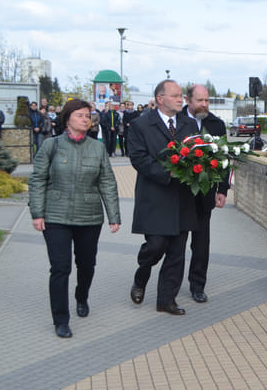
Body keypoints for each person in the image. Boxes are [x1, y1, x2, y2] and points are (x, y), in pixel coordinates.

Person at [28, 99, 121, 338]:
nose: (85, 119)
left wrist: (114, 216)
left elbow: (107, 182)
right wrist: (37, 213)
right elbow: (37, 179)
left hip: (88, 217)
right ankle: (61, 319)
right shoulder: (51, 145)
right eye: (79, 115)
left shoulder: (97, 148)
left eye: (87, 115)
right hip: (55, 216)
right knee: (60, 268)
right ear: (67, 119)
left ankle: (82, 297)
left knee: (87, 264)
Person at [126, 79, 198, 315]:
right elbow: (138, 158)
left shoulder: (189, 124)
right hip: (155, 196)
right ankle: (142, 274)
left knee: (177, 252)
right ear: (160, 99)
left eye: (182, 96)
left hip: (182, 199)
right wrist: (167, 173)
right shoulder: (141, 125)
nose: (181, 100)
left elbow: (198, 153)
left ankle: (167, 300)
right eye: (176, 96)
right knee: (156, 246)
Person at [179, 84, 229, 303]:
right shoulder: (176, 122)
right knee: (176, 243)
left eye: (207, 100)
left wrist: (223, 190)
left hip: (205, 192)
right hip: (179, 193)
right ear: (188, 100)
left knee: (201, 242)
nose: (204, 105)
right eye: (199, 100)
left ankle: (197, 285)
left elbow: (225, 160)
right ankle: (171, 284)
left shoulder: (216, 124)